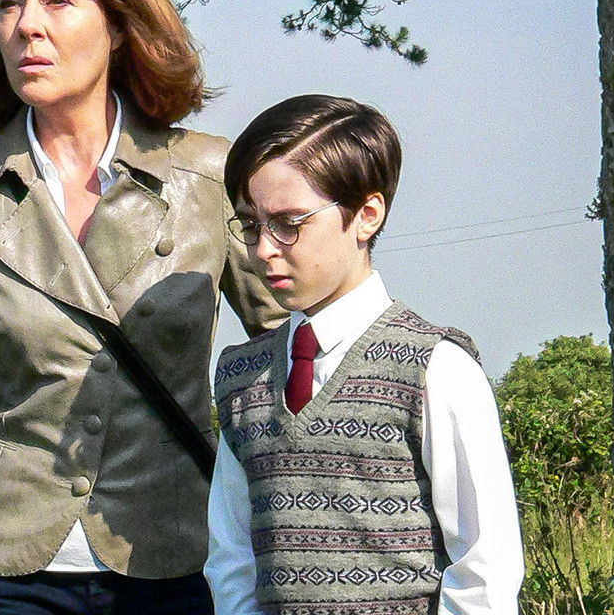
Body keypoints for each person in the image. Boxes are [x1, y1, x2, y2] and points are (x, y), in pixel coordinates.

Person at [0, 0, 284, 615]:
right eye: (8, 4)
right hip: (2, 571)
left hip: (174, 560)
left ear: (119, 22)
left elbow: (292, 354)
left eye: (57, 0)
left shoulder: (207, 177)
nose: (26, 26)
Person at [205, 95, 524, 615]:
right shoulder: (242, 376)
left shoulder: (435, 368)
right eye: (250, 225)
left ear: (366, 216)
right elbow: (232, 559)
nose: (263, 249)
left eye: (289, 223)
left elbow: (484, 571)